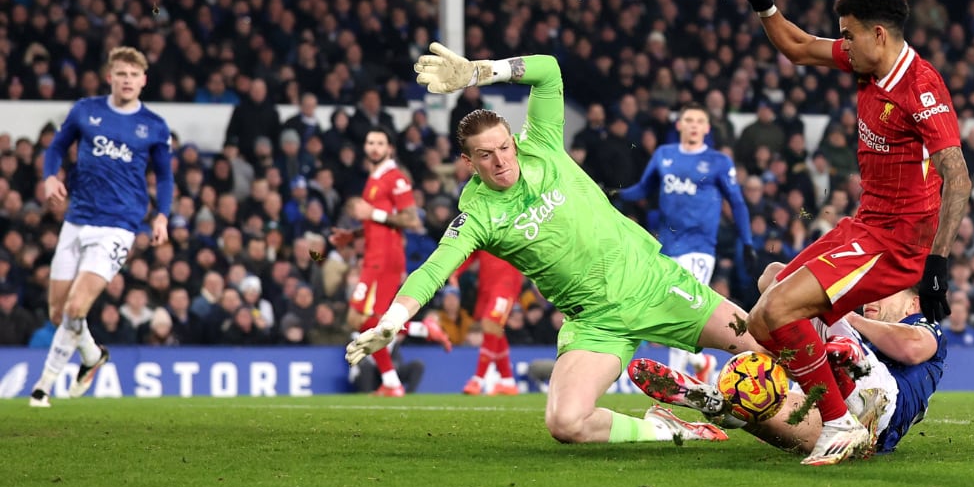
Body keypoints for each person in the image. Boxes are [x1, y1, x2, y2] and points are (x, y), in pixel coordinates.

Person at [347, 45, 848, 452]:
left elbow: (548, 71)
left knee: (767, 346)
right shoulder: (478, 214)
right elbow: (434, 268)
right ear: (467, 161)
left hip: (654, 285)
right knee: (566, 422)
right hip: (595, 323)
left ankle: (850, 400)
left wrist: (481, 71)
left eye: (504, 147)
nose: (501, 160)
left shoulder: (540, 143)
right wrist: (393, 319)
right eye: (486, 155)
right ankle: (671, 428)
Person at [735, 0, 969, 463]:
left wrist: (937, 265)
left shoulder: (921, 88)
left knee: (780, 310)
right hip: (864, 226)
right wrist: (764, 7)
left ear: (878, 34)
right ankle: (845, 366)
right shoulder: (868, 62)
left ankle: (840, 422)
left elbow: (959, 176)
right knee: (762, 316)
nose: (842, 44)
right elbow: (798, 47)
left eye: (848, 35)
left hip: (896, 243)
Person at [630, 262, 946, 457]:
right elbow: (770, 277)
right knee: (762, 407)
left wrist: (843, 314)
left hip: (879, 401)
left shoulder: (925, 326)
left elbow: (912, 349)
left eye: (883, 293)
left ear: (913, 302)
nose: (871, 300)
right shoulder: (864, 331)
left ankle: (843, 361)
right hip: (864, 437)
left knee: (788, 286)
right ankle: (719, 404)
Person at [30, 46, 174, 407]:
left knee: (76, 308)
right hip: (77, 219)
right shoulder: (86, 110)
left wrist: (162, 215)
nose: (127, 81)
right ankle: (92, 356)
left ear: (144, 80)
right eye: (121, 74)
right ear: (110, 76)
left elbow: (166, 176)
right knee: (57, 312)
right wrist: (50, 177)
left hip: (119, 226)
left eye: (133, 75)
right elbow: (56, 148)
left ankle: (43, 387)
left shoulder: (153, 125)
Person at [613, 102, 756, 381]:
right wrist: (617, 194)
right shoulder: (664, 155)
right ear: (679, 125)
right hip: (665, 246)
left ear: (706, 128)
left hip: (699, 248)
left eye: (698, 121)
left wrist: (747, 242)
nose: (693, 125)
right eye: (688, 120)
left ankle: (675, 379)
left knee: (682, 309)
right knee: (669, 307)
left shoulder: (718, 162)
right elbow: (644, 188)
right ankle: (700, 362)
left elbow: (737, 203)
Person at [328, 127, 427, 397]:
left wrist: (373, 212)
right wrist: (353, 234)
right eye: (370, 142)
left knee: (359, 316)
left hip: (384, 259)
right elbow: (377, 223)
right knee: (369, 318)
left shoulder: (396, 178)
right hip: (375, 255)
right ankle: (392, 382)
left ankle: (394, 376)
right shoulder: (374, 179)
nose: (374, 147)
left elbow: (411, 220)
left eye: (380, 143)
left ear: (389, 148)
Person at [452, 249, 525, 395]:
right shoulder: (484, 228)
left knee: (490, 324)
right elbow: (472, 253)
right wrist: (456, 271)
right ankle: (508, 382)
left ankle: (478, 380)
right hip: (486, 286)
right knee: (495, 331)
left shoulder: (513, 227)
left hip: (506, 283)